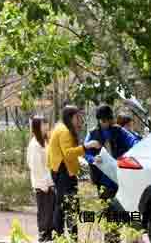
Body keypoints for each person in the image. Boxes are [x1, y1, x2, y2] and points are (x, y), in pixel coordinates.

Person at [85, 104, 141, 243]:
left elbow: (133, 141)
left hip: (121, 179)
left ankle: (131, 239)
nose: (106, 123)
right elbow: (85, 152)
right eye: (104, 121)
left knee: (127, 214)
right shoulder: (93, 133)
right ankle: (111, 240)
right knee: (109, 216)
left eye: (108, 120)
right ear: (99, 120)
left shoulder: (119, 131)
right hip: (104, 182)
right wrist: (93, 159)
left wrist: (136, 147)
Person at [48, 104, 99, 238]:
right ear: (70, 117)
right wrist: (86, 146)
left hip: (61, 171)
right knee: (69, 205)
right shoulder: (64, 131)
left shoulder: (60, 127)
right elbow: (68, 154)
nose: (79, 120)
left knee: (64, 205)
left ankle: (60, 235)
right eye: (77, 117)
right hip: (64, 172)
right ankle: (68, 236)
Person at [28, 115, 56, 241]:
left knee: (50, 216)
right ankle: (43, 238)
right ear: (37, 127)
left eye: (46, 124)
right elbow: (35, 167)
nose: (46, 127)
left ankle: (47, 237)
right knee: (45, 216)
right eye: (43, 124)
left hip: (49, 183)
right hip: (43, 186)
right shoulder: (34, 145)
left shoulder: (45, 141)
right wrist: (45, 185)